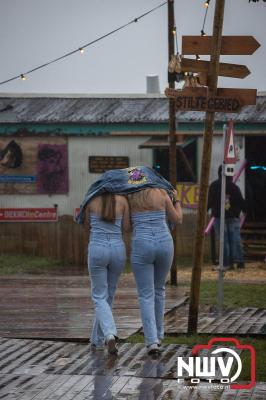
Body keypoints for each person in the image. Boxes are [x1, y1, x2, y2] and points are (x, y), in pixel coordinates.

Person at [127, 188, 182, 354]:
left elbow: (127, 226)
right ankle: (159, 334)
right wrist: (177, 201)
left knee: (145, 294)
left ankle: (152, 342)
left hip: (142, 243)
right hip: (164, 242)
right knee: (159, 289)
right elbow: (177, 219)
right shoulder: (162, 194)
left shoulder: (131, 197)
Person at [83, 192, 130, 354]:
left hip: (97, 247)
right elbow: (127, 227)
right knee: (107, 295)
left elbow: (86, 225)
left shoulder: (90, 200)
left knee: (98, 296)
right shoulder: (123, 200)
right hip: (118, 248)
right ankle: (96, 339)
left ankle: (109, 334)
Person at [207, 165, 247, 269]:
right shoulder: (234, 187)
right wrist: (245, 211)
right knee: (235, 240)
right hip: (233, 216)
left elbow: (210, 201)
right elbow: (240, 201)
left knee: (223, 240)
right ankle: (240, 261)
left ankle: (226, 263)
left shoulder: (214, 186)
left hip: (219, 217)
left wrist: (205, 210)